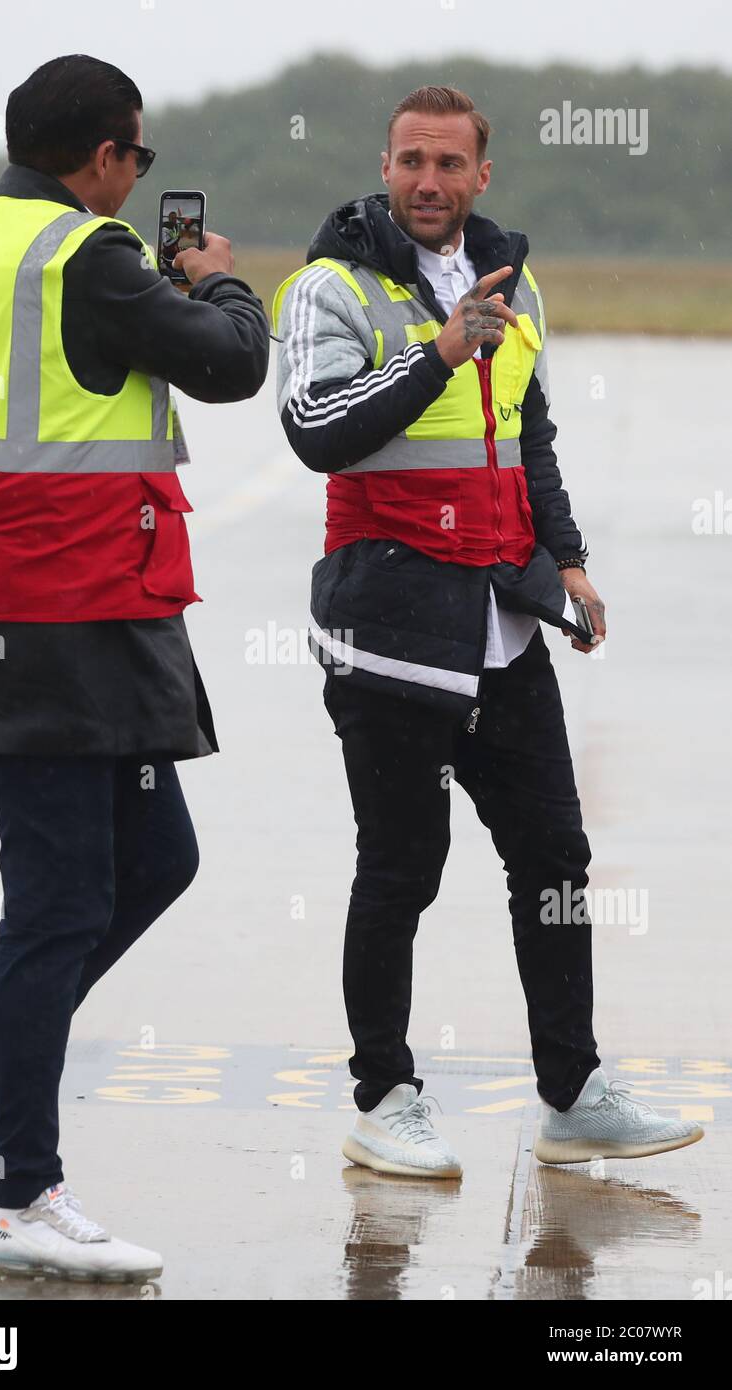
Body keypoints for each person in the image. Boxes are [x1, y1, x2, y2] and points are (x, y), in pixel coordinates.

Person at [273, 85, 703, 1179]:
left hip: (501, 621)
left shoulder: (515, 282)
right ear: (383, 165)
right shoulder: (331, 285)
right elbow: (314, 432)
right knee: (401, 865)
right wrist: (438, 352)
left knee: (554, 857)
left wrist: (564, 558)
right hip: (389, 627)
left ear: (481, 176)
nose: (427, 181)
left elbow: (530, 434)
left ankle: (569, 1091)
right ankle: (384, 1098)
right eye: (409, 161)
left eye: (448, 164)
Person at [0, 53, 269, 1281]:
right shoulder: (84, 258)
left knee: (158, 856)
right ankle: (20, 1189)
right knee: (57, 901)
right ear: (103, 157)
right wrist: (225, 286)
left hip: (57, 620)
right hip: (55, 626)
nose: (134, 182)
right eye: (135, 159)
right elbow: (226, 364)